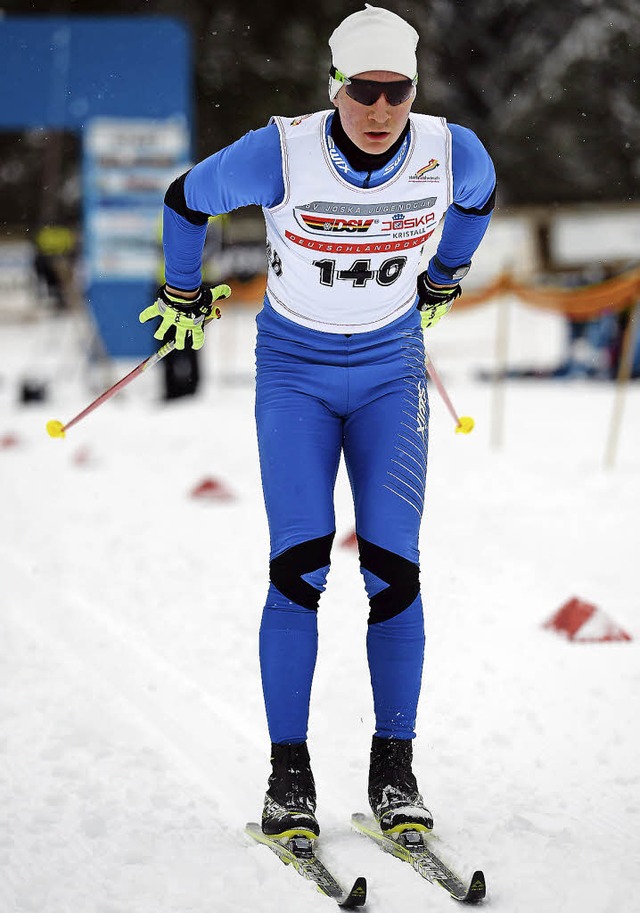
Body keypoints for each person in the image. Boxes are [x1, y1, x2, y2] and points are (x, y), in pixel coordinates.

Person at [140, 4, 496, 842]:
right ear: (334, 86)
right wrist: (184, 289)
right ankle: (288, 772)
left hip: (389, 371)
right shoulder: (281, 151)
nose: (379, 110)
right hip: (296, 374)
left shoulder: (453, 152)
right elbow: (184, 199)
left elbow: (478, 201)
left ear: (415, 89)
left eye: (396, 92)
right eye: (363, 90)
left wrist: (445, 274)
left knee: (393, 568)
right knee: (300, 565)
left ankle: (394, 769)